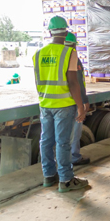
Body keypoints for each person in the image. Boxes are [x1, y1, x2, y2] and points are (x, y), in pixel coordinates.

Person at [33, 16, 89, 193]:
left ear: (49, 32)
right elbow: (73, 83)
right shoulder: (69, 53)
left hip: (45, 104)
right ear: (66, 32)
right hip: (64, 105)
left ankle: (49, 175)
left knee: (46, 140)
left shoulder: (38, 54)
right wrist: (80, 106)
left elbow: (38, 81)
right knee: (63, 143)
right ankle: (66, 179)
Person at [64, 32, 90, 166]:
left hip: (59, 102)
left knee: (62, 133)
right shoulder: (73, 57)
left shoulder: (57, 57)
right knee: (75, 131)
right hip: (74, 101)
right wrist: (84, 102)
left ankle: (62, 157)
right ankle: (74, 157)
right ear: (73, 44)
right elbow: (77, 82)